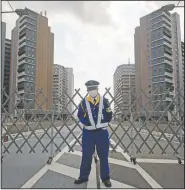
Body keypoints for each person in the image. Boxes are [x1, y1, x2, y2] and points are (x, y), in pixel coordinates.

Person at [74, 80, 113, 187]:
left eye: (93, 89)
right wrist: (87, 122)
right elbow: (80, 115)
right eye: (90, 89)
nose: (92, 91)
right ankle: (83, 177)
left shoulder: (105, 101)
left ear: (97, 89)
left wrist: (104, 122)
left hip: (102, 133)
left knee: (103, 156)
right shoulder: (83, 102)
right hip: (88, 133)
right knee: (86, 155)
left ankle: (105, 178)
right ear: (87, 90)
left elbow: (109, 114)